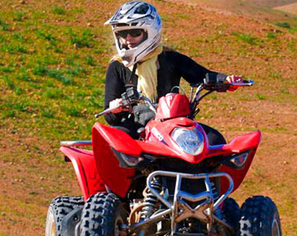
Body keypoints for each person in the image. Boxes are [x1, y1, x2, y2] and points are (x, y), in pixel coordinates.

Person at [104, 1, 242, 143]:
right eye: (122, 33)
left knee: (215, 140)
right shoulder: (117, 66)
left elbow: (202, 76)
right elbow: (108, 116)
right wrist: (114, 108)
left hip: (173, 125)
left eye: (134, 32)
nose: (128, 39)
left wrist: (227, 80)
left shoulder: (171, 58)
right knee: (116, 139)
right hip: (135, 126)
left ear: (151, 32)